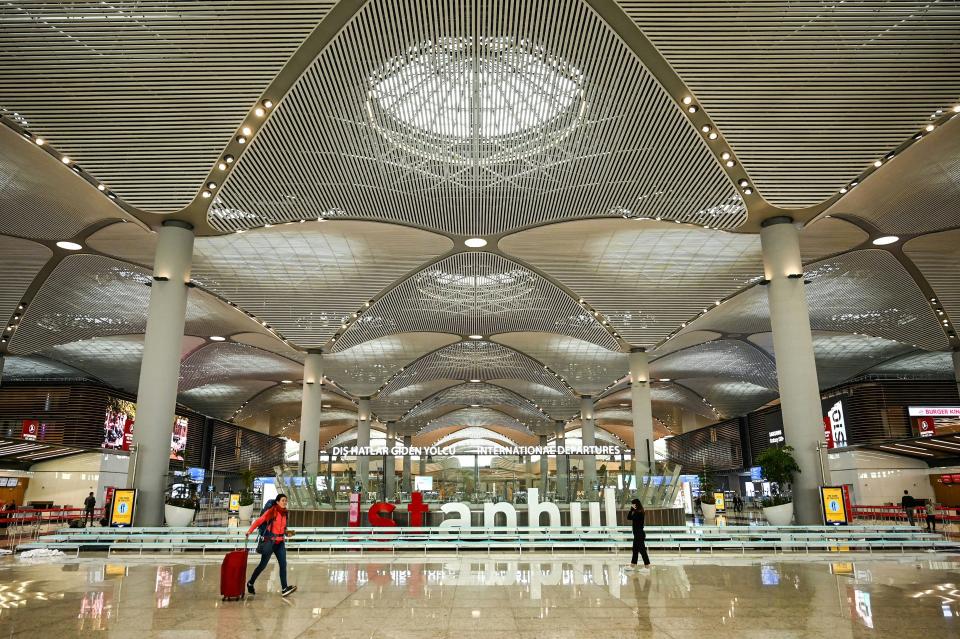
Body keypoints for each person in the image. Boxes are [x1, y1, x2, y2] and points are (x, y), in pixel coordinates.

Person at [245, 493, 297, 596]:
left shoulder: (285, 513)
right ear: (277, 502)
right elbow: (259, 521)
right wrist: (250, 531)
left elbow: (283, 528)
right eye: (283, 500)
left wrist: (287, 533)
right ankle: (250, 583)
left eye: (286, 500)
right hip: (270, 542)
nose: (285, 502)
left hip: (280, 543)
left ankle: (284, 588)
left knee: (283, 565)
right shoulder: (272, 511)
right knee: (262, 565)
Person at [626, 498, 651, 571]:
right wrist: (631, 510)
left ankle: (647, 566)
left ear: (636, 504)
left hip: (639, 534)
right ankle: (632, 565)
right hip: (637, 534)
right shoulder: (637, 511)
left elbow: (631, 518)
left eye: (633, 504)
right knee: (635, 550)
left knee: (642, 550)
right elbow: (629, 517)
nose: (632, 505)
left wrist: (632, 510)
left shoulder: (639, 512)